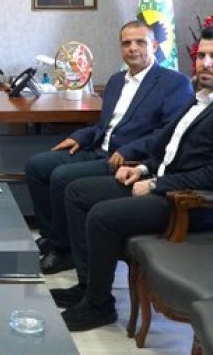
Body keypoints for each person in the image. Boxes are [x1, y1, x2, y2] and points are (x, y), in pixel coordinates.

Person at [56, 23, 213, 332]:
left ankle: (99, 307)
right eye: (201, 55)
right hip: (166, 184)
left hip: (194, 205)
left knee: (102, 216)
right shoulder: (201, 97)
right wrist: (142, 168)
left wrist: (155, 183)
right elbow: (170, 150)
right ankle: (89, 288)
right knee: (76, 192)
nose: (205, 63)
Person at [26, 21, 193, 275]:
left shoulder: (174, 83)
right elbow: (105, 125)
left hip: (127, 160)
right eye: (126, 43)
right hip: (97, 148)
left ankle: (64, 250)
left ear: (155, 46)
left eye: (140, 42)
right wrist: (80, 137)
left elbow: (168, 133)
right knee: (37, 166)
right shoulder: (116, 81)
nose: (132, 48)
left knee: (61, 177)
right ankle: (53, 236)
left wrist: (131, 151)